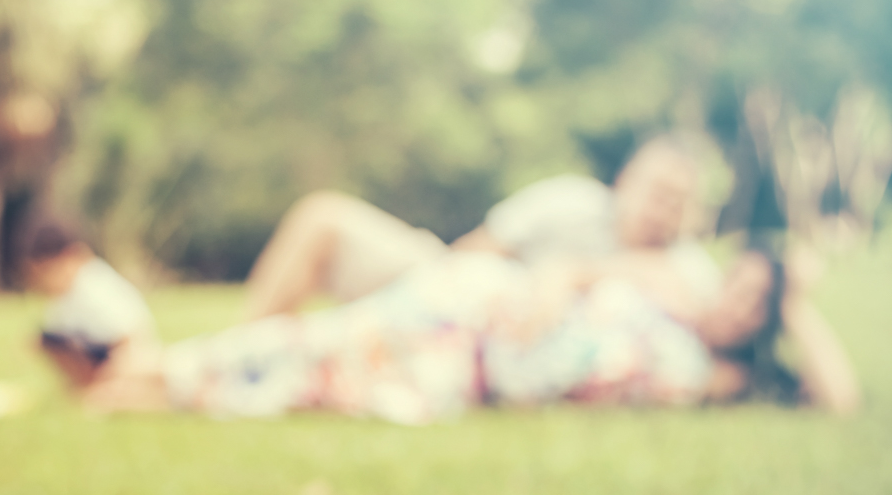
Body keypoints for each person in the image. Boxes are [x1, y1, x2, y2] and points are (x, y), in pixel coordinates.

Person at [84, 239, 859, 422]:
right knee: (319, 341)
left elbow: (842, 401)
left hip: (477, 372)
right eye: (742, 286)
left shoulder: (731, 378)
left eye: (758, 306)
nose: (737, 306)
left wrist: (792, 297)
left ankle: (144, 382)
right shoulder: (674, 283)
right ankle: (144, 369)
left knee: (325, 380)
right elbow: (574, 267)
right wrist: (551, 291)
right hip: (479, 310)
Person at [243, 136, 721, 323]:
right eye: (656, 191)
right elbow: (478, 248)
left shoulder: (684, 264)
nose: (663, 209)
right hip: (448, 282)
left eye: (678, 201)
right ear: (623, 183)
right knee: (321, 217)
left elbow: (718, 319)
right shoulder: (570, 201)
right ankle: (246, 350)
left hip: (501, 342)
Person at [26, 221, 161, 391]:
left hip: (131, 364)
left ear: (71, 256)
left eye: (46, 272)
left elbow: (129, 340)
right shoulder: (63, 297)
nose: (42, 284)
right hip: (98, 361)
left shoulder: (94, 286)